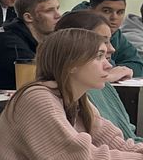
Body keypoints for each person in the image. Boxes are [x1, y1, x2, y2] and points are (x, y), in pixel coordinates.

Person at [0, 28, 143, 160]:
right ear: (71, 64)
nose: (108, 65)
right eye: (98, 56)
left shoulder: (78, 99)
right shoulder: (37, 98)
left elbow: (116, 143)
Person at [54, 10, 141, 142]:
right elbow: (90, 155)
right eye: (103, 43)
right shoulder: (51, 98)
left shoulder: (102, 86)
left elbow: (126, 139)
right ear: (74, 48)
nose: (112, 49)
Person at [0, 0, 62, 90]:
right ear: (28, 17)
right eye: (49, 11)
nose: (58, 15)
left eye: (58, 8)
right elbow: (45, 79)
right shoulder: (10, 44)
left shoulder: (38, 40)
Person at [71, 0, 143, 78]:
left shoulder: (117, 34)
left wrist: (115, 71)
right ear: (90, 10)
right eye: (106, 11)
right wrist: (113, 71)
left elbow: (138, 66)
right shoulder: (76, 32)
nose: (114, 17)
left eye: (120, 12)